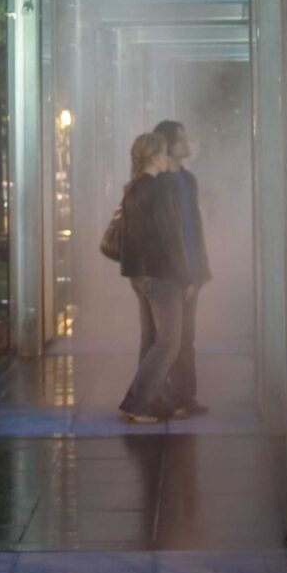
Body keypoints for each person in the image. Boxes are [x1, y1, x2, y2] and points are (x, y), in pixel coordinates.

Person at [112, 133, 187, 424]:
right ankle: (136, 403)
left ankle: (156, 401)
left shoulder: (133, 188)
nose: (169, 158)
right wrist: (185, 276)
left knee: (151, 340)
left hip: (140, 275)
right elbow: (171, 237)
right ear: (155, 157)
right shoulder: (158, 189)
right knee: (169, 342)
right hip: (161, 275)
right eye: (165, 153)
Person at [153, 117, 211, 417]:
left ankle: (185, 395)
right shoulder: (158, 183)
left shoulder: (188, 180)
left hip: (190, 271)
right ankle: (162, 397)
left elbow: (195, 227)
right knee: (166, 339)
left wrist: (200, 268)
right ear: (170, 146)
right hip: (169, 273)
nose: (188, 144)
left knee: (186, 336)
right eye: (182, 139)